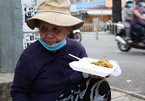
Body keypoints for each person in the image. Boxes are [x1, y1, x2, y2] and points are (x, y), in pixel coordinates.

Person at [10, 0, 111, 101]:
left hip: (73, 97)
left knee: (101, 84)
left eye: (56, 29)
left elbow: (85, 77)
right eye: (44, 28)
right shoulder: (29, 56)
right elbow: (18, 91)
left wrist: (96, 74)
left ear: (67, 29)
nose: (49, 35)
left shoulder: (77, 49)